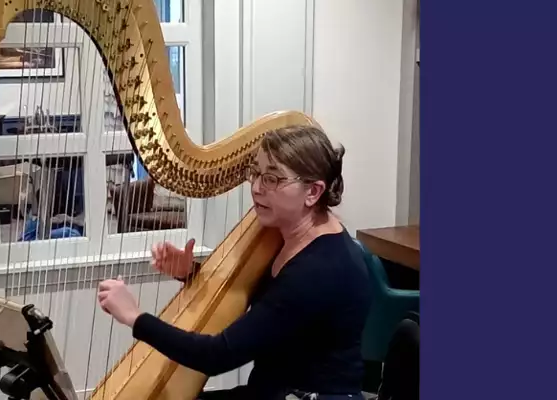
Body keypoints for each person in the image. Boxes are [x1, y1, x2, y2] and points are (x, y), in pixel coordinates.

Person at [97, 125, 373, 400]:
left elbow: (217, 355)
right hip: (274, 389)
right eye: (256, 173)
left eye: (273, 179)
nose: (256, 188)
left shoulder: (318, 270)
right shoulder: (286, 237)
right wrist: (190, 273)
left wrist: (134, 317)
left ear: (313, 192)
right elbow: (271, 302)